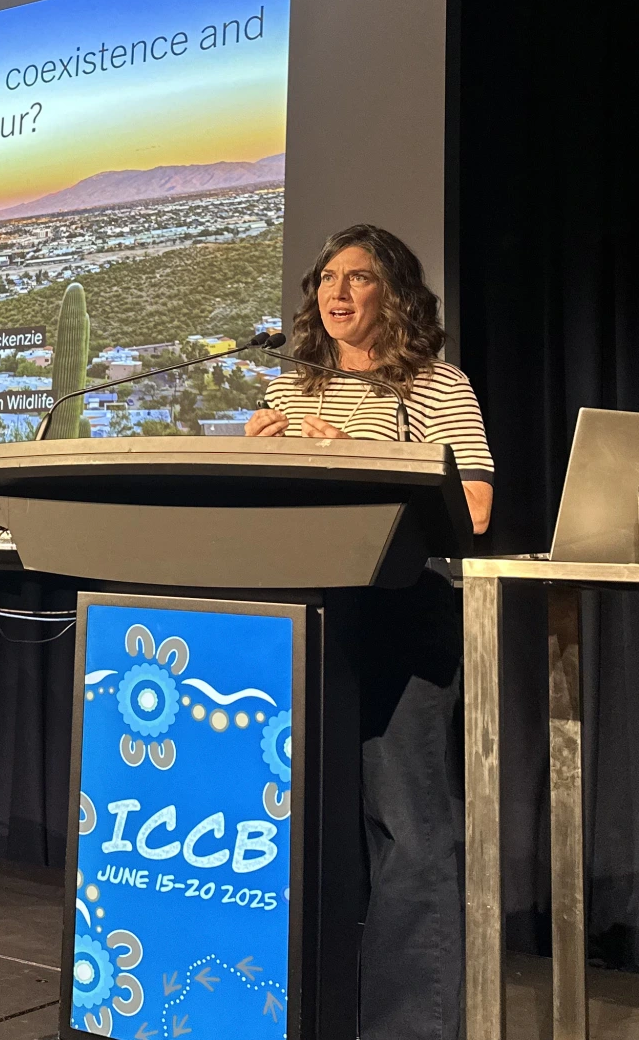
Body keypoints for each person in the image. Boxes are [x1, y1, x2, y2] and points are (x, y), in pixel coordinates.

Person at [246, 224, 493, 1040]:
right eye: (327, 278)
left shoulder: (436, 385)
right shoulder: (292, 390)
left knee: (407, 831)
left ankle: (407, 1027)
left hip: (400, 617)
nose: (337, 292)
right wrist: (252, 460)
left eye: (358, 277)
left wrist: (361, 454)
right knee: (290, 825)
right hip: (301, 618)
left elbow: (475, 509)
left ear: (396, 292)